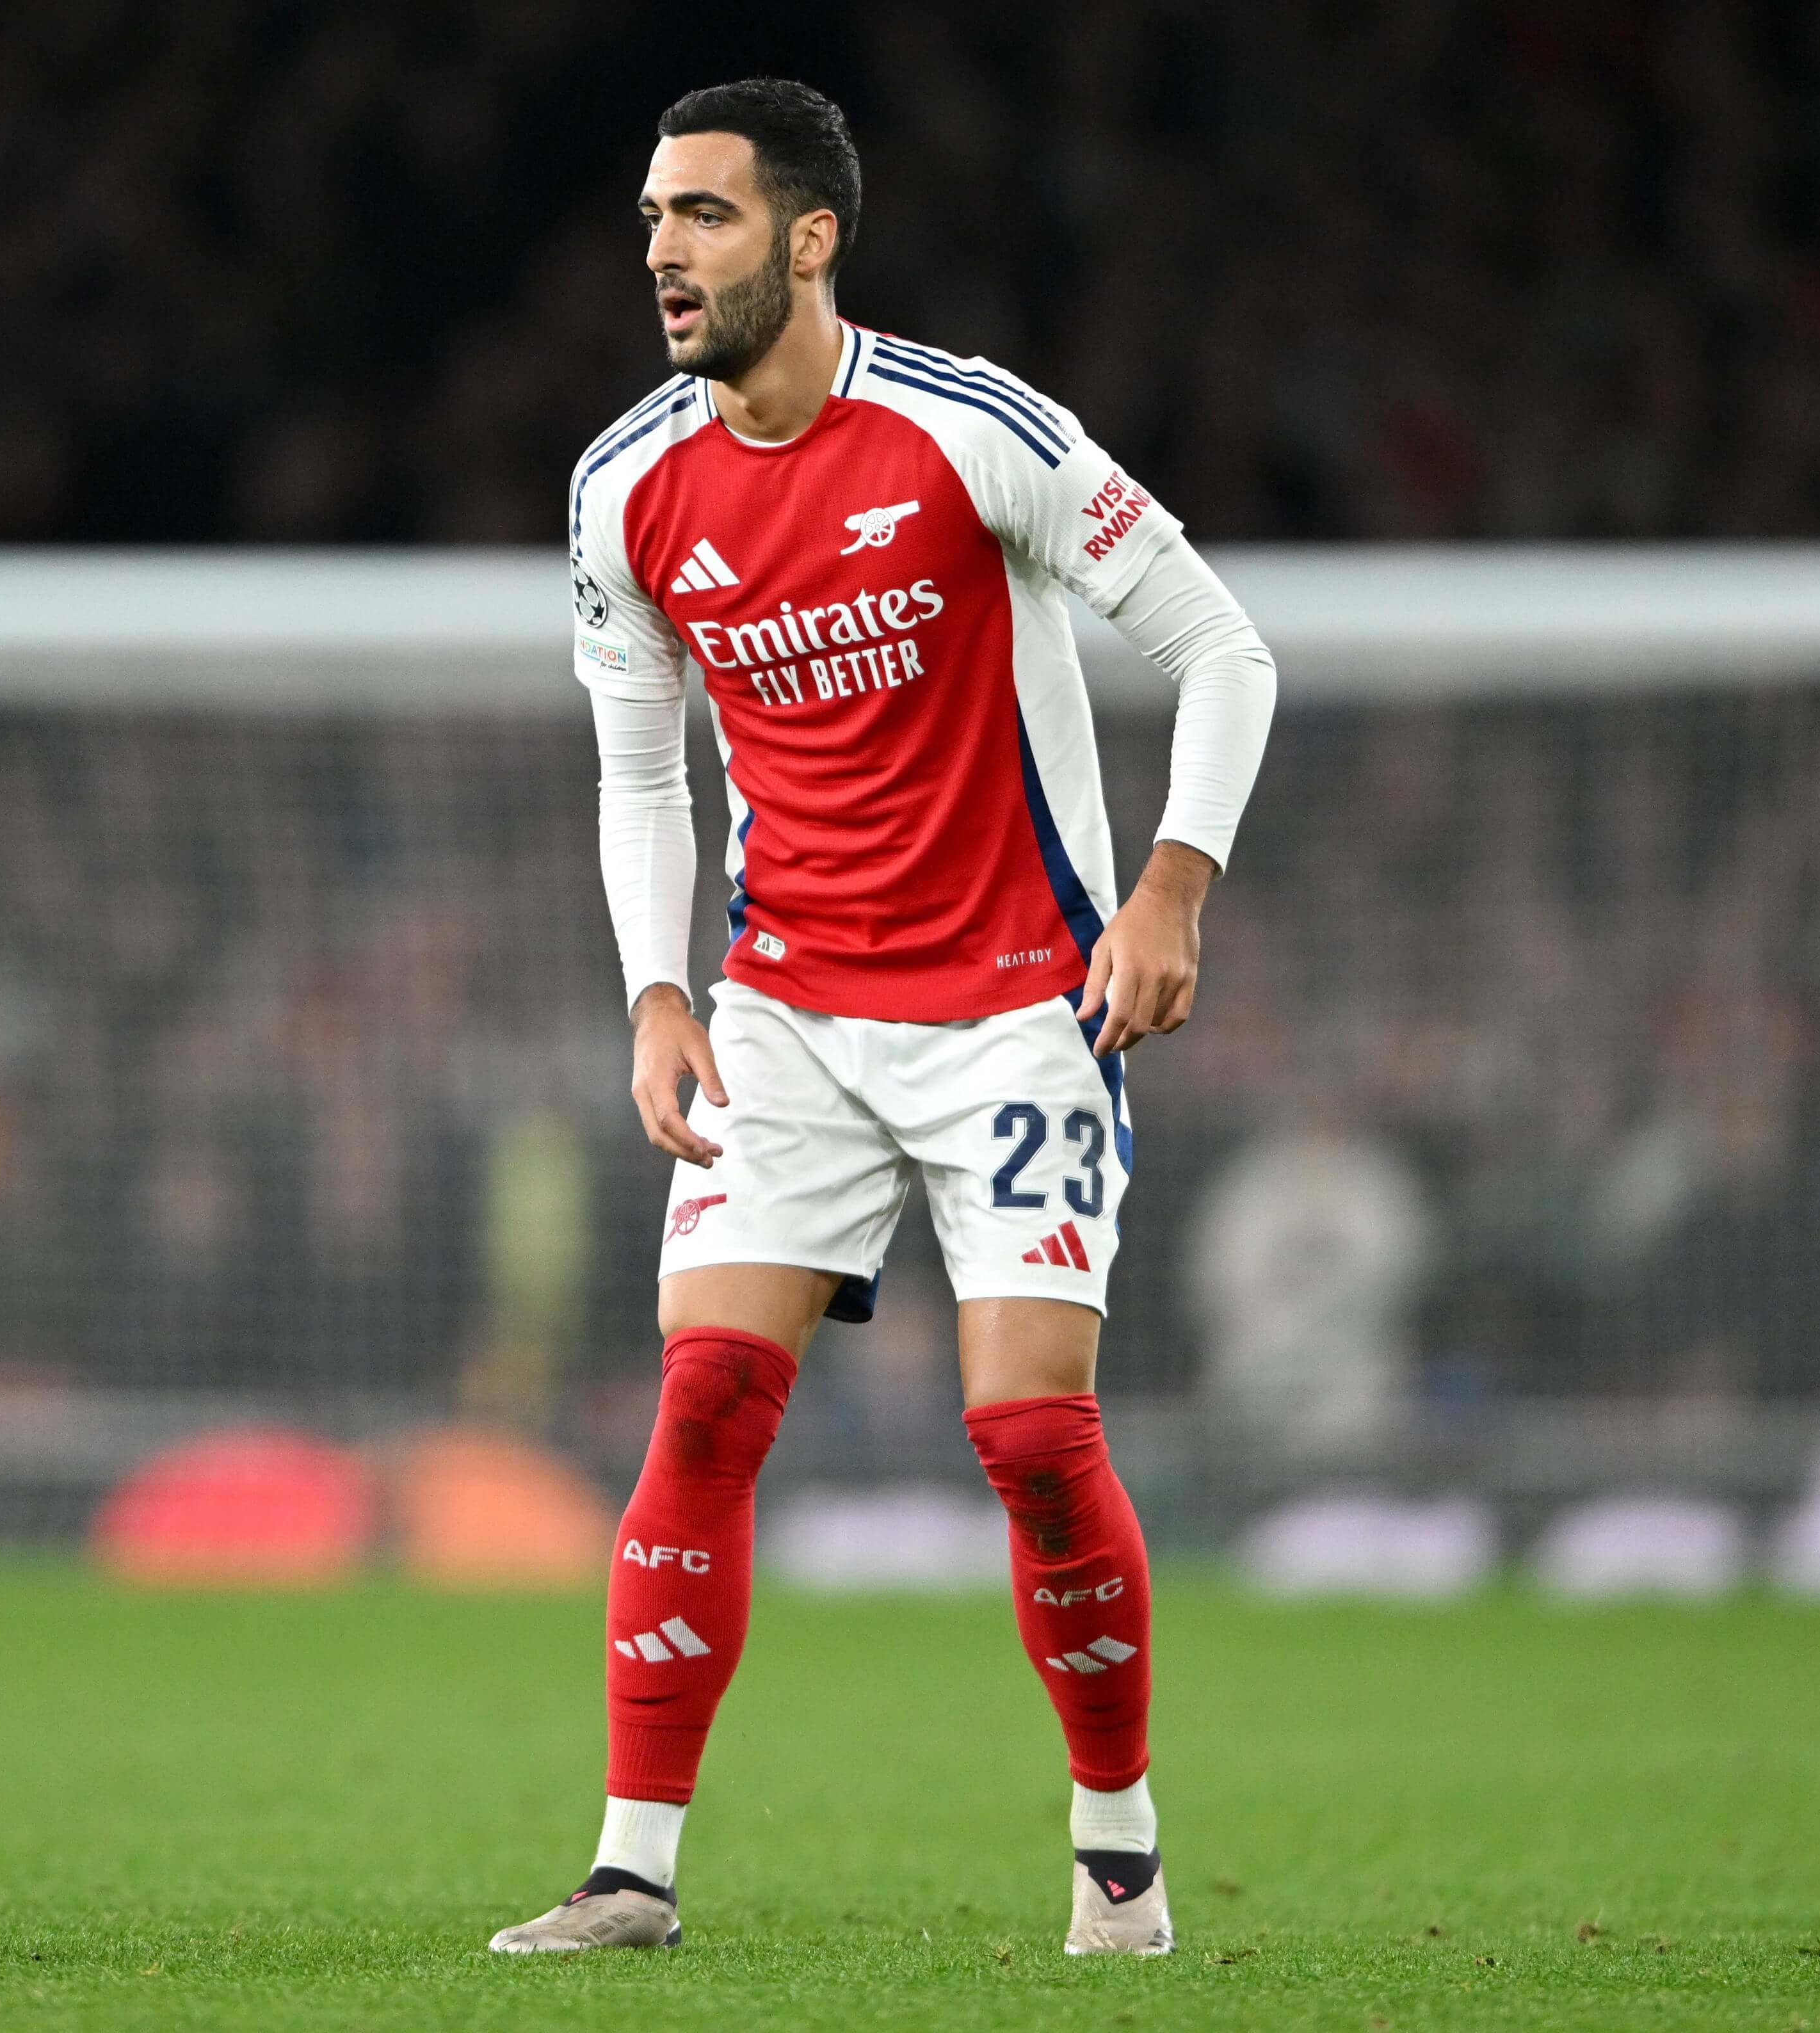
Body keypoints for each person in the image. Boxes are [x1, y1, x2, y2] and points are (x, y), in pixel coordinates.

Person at [492, 80, 1274, 1957]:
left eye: (704, 215)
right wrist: (657, 993)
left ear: (812, 237)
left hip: (1019, 1003)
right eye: (652, 219)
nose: (664, 252)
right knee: (702, 1400)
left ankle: (1117, 1858)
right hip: (786, 1010)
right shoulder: (626, 484)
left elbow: (1223, 651)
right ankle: (632, 1869)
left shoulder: (973, 429)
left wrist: (1173, 886)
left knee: (1027, 1437)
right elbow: (642, 770)